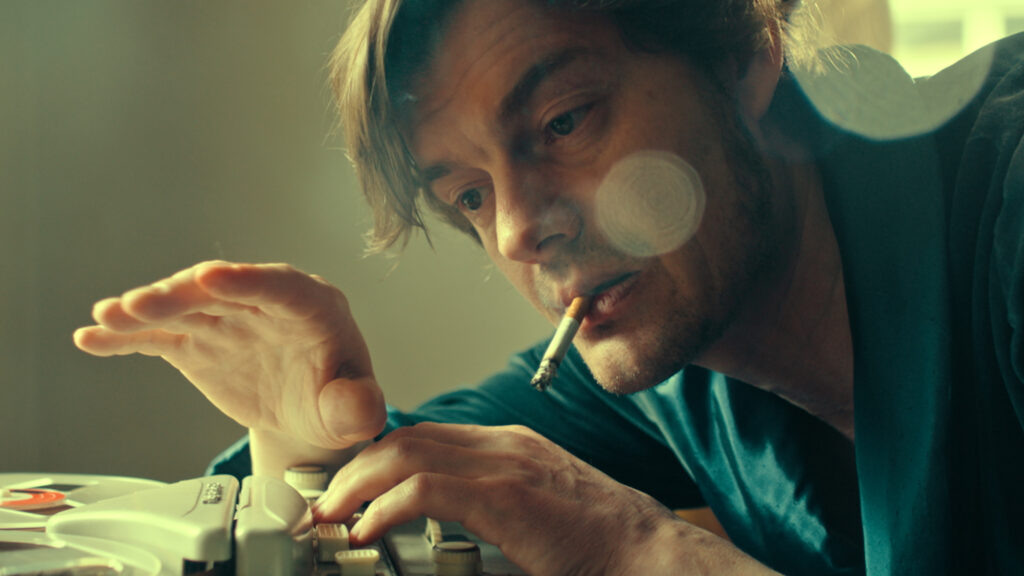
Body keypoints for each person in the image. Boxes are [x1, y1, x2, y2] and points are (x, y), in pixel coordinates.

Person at [73, 0, 1024, 574]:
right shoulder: (672, 374)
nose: (522, 231)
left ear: (742, 51)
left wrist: (641, 553)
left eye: (565, 123)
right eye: (471, 195)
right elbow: (393, 474)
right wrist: (302, 431)